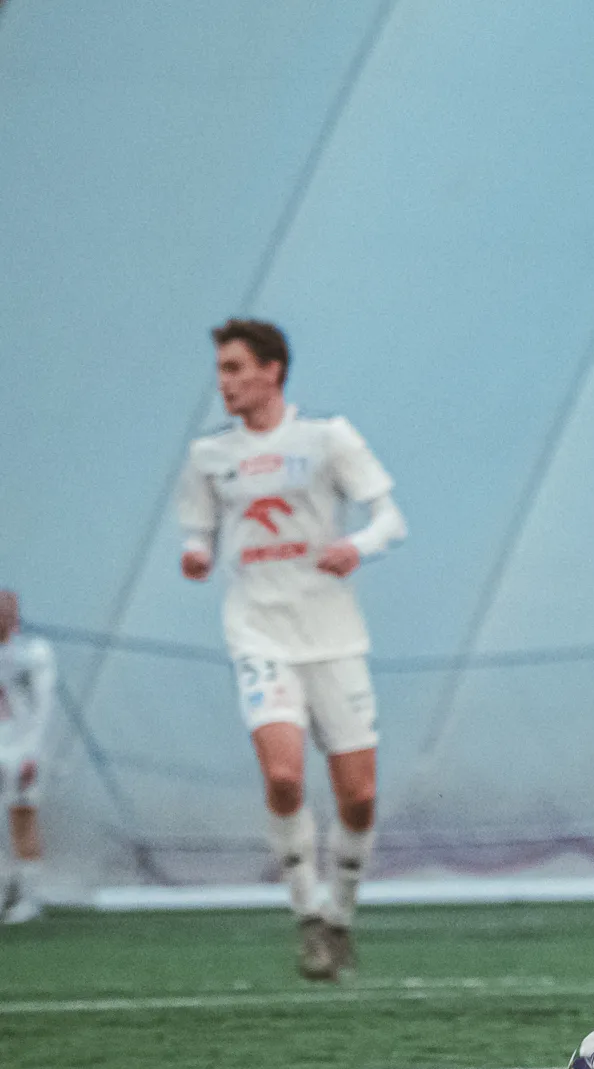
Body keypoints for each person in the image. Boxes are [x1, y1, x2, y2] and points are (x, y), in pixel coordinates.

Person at [176, 319, 406, 981]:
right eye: (221, 369)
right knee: (283, 776)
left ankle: (342, 917)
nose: (225, 382)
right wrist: (196, 554)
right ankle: (307, 914)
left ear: (271, 370)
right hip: (259, 632)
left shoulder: (326, 439)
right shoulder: (209, 456)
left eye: (235, 368)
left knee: (359, 796)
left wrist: (356, 546)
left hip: (333, 637)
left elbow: (391, 519)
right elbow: (198, 533)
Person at [0, 591, 56, 924]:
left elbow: (43, 706)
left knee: (22, 817)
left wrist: (32, 752)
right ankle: (7, 885)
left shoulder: (32, 654)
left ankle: (29, 897)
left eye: (7, 610)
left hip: (20, 750)